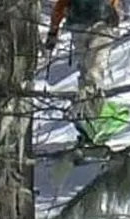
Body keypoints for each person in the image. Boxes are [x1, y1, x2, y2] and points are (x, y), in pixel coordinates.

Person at [45, 0, 122, 139]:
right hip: (79, 26)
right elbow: (61, 5)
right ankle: (88, 121)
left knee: (93, 72)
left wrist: (115, 12)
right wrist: (53, 31)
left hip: (100, 23)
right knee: (87, 73)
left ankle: (94, 119)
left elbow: (60, 6)